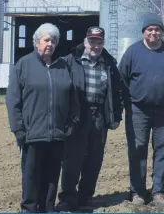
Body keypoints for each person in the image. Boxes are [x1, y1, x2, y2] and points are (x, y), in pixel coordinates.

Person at [5, 22, 80, 212]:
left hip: (57, 134)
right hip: (32, 135)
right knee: (31, 177)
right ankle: (29, 209)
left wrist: (71, 124)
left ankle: (47, 208)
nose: (50, 44)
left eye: (54, 41)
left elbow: (73, 99)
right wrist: (19, 130)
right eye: (47, 40)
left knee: (52, 177)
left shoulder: (63, 66)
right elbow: (13, 101)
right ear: (37, 42)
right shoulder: (24, 64)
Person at [119, 22, 164, 207]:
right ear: (143, 32)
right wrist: (127, 105)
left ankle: (159, 191)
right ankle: (138, 192)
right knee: (137, 150)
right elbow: (121, 80)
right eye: (149, 29)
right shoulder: (133, 52)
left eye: (157, 30)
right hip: (138, 111)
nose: (153, 33)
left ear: (162, 32)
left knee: (163, 151)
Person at [57, 26, 124, 211]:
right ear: (85, 42)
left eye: (99, 42)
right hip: (77, 116)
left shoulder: (109, 64)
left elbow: (118, 92)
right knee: (73, 158)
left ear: (103, 43)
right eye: (92, 41)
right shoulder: (71, 61)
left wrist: (116, 116)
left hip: (99, 116)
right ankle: (67, 198)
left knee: (94, 159)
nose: (95, 45)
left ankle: (85, 197)